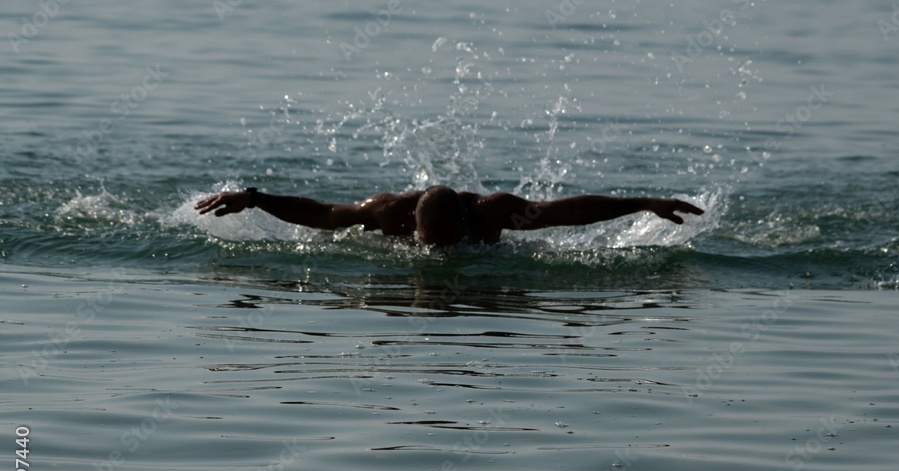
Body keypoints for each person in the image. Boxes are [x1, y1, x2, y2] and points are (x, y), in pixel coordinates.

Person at [195, 185, 704, 247]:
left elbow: (568, 212)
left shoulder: (493, 214)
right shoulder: (387, 213)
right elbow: (325, 213)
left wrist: (642, 203)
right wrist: (257, 198)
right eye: (426, 241)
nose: (434, 253)